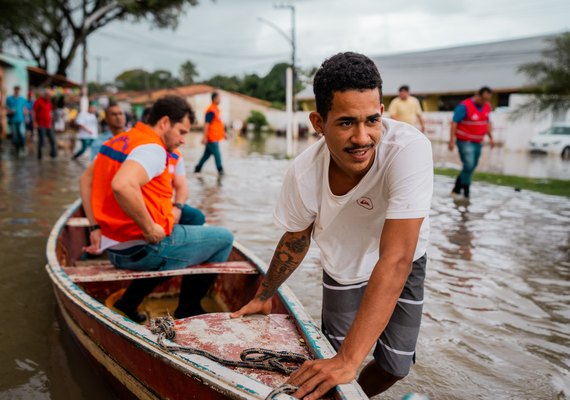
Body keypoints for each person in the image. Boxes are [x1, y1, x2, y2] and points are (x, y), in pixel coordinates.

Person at [231, 52, 433, 399]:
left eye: (372, 120)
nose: (362, 137)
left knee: (394, 367)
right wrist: (265, 295)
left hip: (405, 259)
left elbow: (397, 258)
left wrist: (350, 361)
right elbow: (296, 238)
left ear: (383, 113)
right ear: (318, 122)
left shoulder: (408, 149)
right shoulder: (304, 171)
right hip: (344, 267)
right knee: (329, 368)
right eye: (345, 123)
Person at [80, 95, 233, 323]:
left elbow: (86, 180)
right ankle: (188, 307)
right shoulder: (153, 149)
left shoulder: (119, 140)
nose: (183, 140)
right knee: (224, 238)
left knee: (194, 219)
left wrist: (94, 226)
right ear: (164, 123)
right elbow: (122, 185)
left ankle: (130, 301)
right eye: (181, 132)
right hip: (142, 249)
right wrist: (149, 227)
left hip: (113, 248)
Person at [448, 86, 495, 198]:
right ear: (477, 95)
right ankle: (466, 192)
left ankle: (457, 188)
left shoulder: (487, 107)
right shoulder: (464, 106)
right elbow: (454, 123)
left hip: (478, 141)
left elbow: (487, 123)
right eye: (483, 99)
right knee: (469, 165)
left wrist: (491, 138)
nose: (485, 102)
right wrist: (451, 140)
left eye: (487, 99)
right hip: (465, 141)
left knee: (472, 166)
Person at [194, 92, 225, 175]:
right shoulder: (211, 110)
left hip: (215, 137)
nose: (220, 100)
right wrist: (204, 137)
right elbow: (206, 124)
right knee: (217, 155)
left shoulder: (216, 110)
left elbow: (218, 124)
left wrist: (224, 134)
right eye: (219, 98)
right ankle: (221, 172)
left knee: (206, 155)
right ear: (214, 99)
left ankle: (197, 168)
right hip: (212, 138)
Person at [33, 88, 58, 160]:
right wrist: (34, 122)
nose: (50, 98)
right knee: (42, 141)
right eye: (49, 96)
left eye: (51, 97)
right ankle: (39, 156)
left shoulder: (49, 102)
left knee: (52, 140)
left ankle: (53, 156)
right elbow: (34, 111)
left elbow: (50, 113)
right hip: (40, 124)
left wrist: (51, 122)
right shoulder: (39, 101)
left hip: (48, 125)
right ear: (45, 95)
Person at [6, 85, 27, 154]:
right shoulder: (9, 98)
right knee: (15, 134)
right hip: (13, 119)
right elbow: (6, 107)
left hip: (21, 119)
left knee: (21, 133)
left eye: (18, 90)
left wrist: (26, 117)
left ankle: (22, 146)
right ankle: (17, 147)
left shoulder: (22, 99)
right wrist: (9, 111)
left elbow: (24, 108)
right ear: (14, 90)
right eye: (16, 90)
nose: (17, 91)